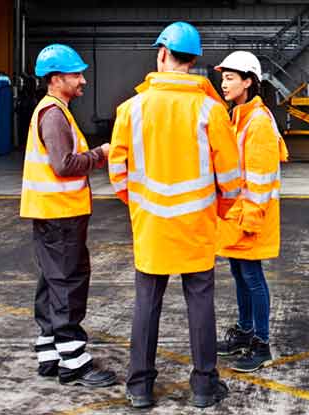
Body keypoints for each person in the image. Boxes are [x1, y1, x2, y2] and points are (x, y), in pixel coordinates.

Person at [107, 22, 242, 409]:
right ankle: (203, 386)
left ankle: (139, 387)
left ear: (163, 54)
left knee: (146, 303)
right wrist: (220, 209)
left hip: (150, 225)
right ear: (194, 60)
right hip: (196, 225)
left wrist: (139, 205)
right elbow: (231, 179)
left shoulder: (131, 109)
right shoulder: (210, 111)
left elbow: (117, 171)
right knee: (200, 303)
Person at [19, 43, 116, 388]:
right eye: (76, 74)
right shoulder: (55, 115)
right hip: (60, 216)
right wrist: (100, 154)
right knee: (68, 284)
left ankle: (49, 354)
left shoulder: (52, 109)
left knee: (51, 281)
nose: (83, 80)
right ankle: (74, 362)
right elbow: (64, 165)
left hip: (51, 214)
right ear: (57, 78)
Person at [213, 51, 288, 373]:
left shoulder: (258, 122)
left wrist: (250, 219)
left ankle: (262, 342)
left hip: (251, 216)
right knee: (239, 275)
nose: (223, 83)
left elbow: (260, 176)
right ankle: (244, 332)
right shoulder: (238, 116)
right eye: (223, 77)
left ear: (248, 82)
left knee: (253, 278)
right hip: (236, 214)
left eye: (230, 78)